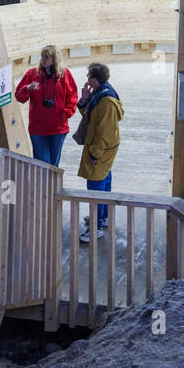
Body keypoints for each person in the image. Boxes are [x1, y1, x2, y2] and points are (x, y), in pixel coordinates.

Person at [76, 63, 124, 242]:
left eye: (88, 76)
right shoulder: (100, 93)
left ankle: (95, 228)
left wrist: (95, 155)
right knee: (104, 180)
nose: (87, 78)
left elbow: (104, 132)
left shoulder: (107, 102)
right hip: (103, 148)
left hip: (101, 150)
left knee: (95, 186)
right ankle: (102, 217)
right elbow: (88, 115)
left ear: (94, 79)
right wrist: (84, 99)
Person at [15, 44, 78, 165]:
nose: (43, 60)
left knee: (53, 165)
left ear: (55, 59)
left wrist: (67, 113)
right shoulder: (32, 74)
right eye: (42, 57)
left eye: (47, 57)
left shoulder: (64, 74)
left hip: (58, 128)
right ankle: (42, 184)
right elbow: (19, 96)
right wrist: (28, 88)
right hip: (38, 128)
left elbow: (73, 96)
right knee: (41, 163)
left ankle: (53, 185)